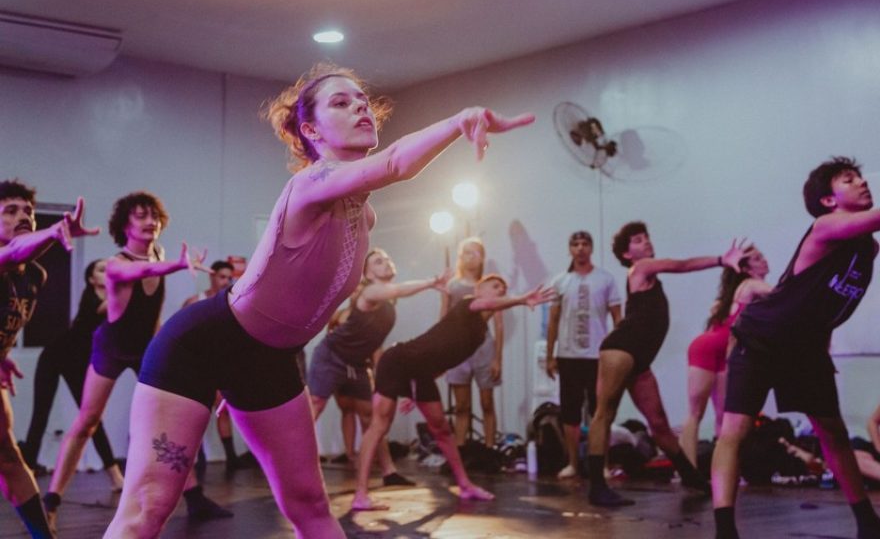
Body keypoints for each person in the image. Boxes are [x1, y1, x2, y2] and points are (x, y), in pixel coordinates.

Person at [103, 63, 534, 538]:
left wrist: (241, 375)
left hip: (270, 360)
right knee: (149, 507)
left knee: (310, 505)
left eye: (362, 101)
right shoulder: (309, 183)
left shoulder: (364, 216)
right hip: (202, 345)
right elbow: (394, 163)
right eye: (341, 103)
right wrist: (459, 120)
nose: (360, 108)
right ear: (311, 130)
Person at [712, 157, 880, 539]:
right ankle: (724, 529)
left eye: (860, 177)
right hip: (763, 337)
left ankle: (867, 522)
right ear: (828, 201)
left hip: (806, 348)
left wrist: (821, 349)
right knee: (735, 429)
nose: (861, 183)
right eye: (849, 180)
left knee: (833, 432)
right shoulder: (825, 226)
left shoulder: (868, 249)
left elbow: (827, 305)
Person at [44, 192, 230, 527]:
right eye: (141, 216)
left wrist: (161, 346)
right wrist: (178, 264)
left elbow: (151, 308)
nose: (150, 222)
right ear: (125, 226)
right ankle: (51, 502)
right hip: (111, 348)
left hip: (145, 347)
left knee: (169, 419)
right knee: (87, 420)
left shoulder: (158, 254)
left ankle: (195, 498)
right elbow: (144, 269)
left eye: (154, 216)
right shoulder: (116, 264)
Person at [352, 275, 554, 510]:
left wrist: (414, 390)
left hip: (421, 372)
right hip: (396, 361)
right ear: (479, 291)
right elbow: (487, 304)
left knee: (442, 429)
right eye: (495, 286)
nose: (501, 290)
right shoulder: (467, 304)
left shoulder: (479, 334)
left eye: (504, 288)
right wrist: (521, 299)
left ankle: (465, 485)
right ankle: (361, 494)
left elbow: (444, 361)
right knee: (380, 425)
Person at [586, 221, 749, 507]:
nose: (646, 242)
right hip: (620, 349)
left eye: (646, 237)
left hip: (639, 358)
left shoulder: (647, 274)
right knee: (604, 413)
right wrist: (721, 260)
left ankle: (690, 477)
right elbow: (680, 265)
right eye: (637, 240)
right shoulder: (641, 268)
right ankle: (597, 487)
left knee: (659, 423)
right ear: (627, 254)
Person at [0, 179, 99, 538]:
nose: (23, 216)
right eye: (10, 211)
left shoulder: (34, 276)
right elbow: (12, 254)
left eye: (28, 210)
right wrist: (55, 233)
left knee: (10, 458)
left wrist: (2, 356)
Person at [309, 248, 447, 484]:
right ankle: (287, 467)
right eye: (378, 261)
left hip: (358, 365)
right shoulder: (370, 291)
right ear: (368, 273)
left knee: (371, 417)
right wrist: (431, 282)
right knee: (315, 406)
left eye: (388, 259)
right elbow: (398, 290)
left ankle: (389, 472)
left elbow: (376, 341)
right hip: (331, 357)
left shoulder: (388, 301)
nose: (386, 263)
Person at [20, 260, 124, 490]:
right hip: (54, 356)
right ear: (91, 279)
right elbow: (107, 307)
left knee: (91, 419)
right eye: (102, 269)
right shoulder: (91, 298)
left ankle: (116, 477)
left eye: (110, 268)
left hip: (78, 363)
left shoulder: (115, 298)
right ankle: (27, 473)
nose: (108, 271)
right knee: (41, 415)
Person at [680, 248, 771, 465]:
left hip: (726, 354)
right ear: (745, 268)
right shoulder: (751, 285)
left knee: (725, 415)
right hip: (706, 348)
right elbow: (782, 295)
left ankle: (723, 471)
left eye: (762, 256)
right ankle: (688, 470)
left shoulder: (734, 295)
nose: (764, 260)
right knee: (695, 413)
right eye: (757, 258)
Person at [545, 230, 622, 479]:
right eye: (575, 244)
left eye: (585, 244)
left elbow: (618, 318)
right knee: (570, 413)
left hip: (598, 356)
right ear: (570, 249)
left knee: (600, 412)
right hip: (568, 356)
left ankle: (603, 465)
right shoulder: (561, 281)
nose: (580, 248)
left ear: (591, 248)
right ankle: (573, 464)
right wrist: (550, 355)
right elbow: (553, 320)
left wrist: (618, 353)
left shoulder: (605, 279)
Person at [182, 260, 244, 475]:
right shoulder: (195, 301)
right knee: (197, 411)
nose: (226, 281)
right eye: (222, 277)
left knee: (222, 409)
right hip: (198, 364)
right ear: (212, 276)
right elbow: (180, 332)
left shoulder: (232, 303)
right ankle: (199, 458)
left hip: (221, 363)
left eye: (229, 278)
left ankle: (231, 458)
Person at [442, 237, 504, 448]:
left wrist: (497, 358)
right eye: (467, 252)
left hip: (483, 348)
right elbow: (443, 319)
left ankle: (489, 448)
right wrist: (442, 352)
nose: (471, 257)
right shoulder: (452, 286)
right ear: (460, 256)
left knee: (487, 402)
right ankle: (460, 451)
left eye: (476, 253)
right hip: (458, 350)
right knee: (461, 405)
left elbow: (499, 323)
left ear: (482, 257)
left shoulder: (488, 286)